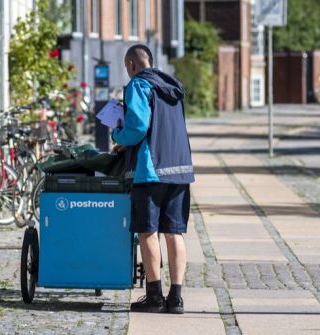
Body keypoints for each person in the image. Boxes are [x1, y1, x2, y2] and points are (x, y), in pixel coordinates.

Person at [112, 44, 194, 314]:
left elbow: (137, 128)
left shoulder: (138, 85)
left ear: (132, 65)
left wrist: (118, 137)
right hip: (180, 169)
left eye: (127, 68)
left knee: (148, 231)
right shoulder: (173, 88)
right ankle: (177, 297)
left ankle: (155, 296)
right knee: (175, 231)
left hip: (150, 171)